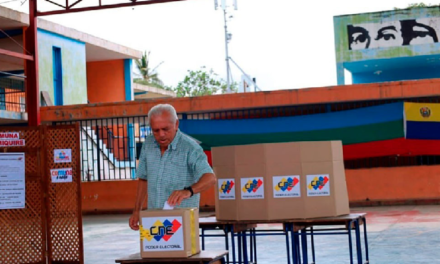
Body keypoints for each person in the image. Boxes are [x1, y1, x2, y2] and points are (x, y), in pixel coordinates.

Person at [129, 104, 216, 231]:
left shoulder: (190, 148)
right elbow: (143, 178)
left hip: (181, 223)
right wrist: (137, 210)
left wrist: (188, 191)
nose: (161, 134)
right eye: (156, 130)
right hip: (153, 221)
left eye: (166, 129)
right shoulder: (148, 143)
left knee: (180, 251)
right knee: (153, 250)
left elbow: (210, 178)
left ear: (176, 124)